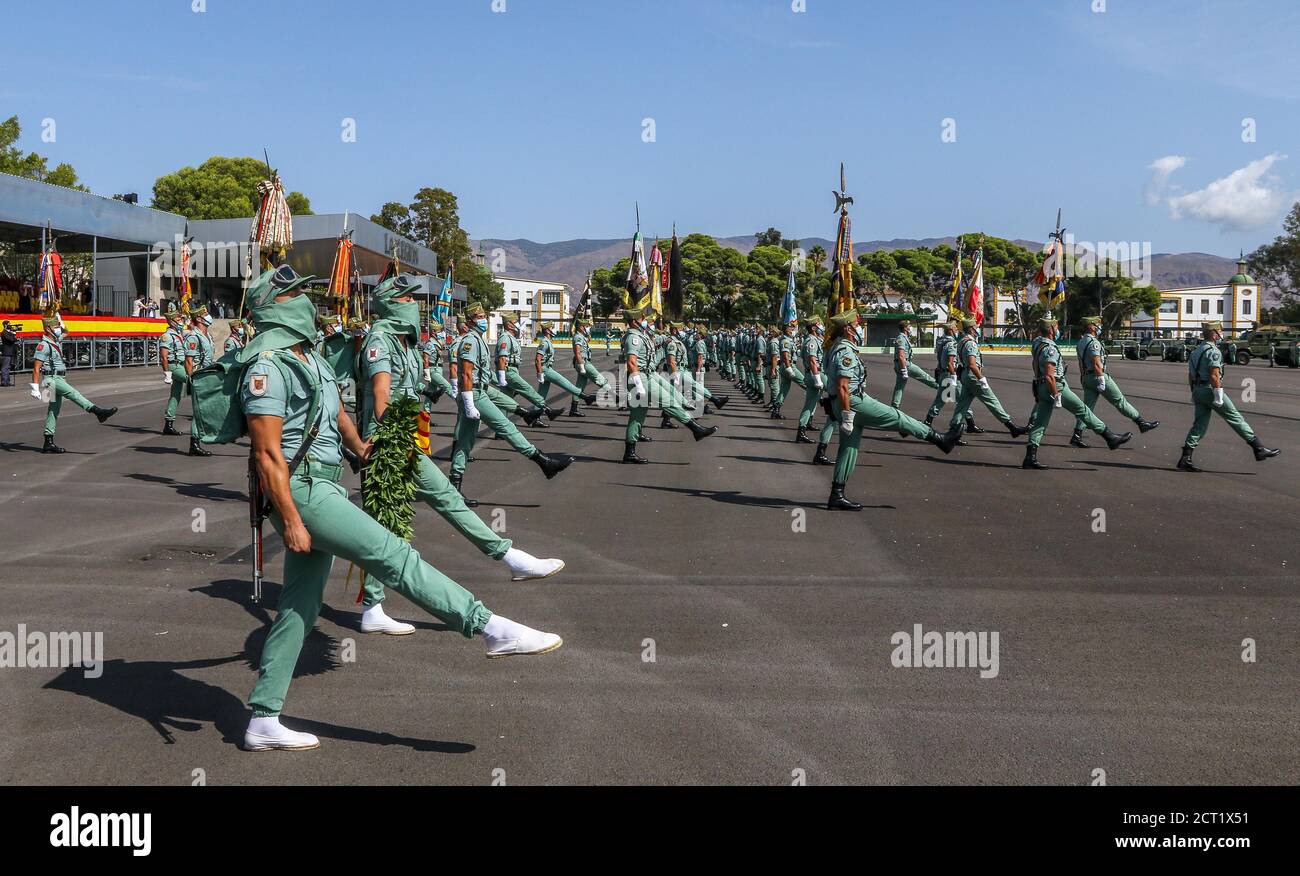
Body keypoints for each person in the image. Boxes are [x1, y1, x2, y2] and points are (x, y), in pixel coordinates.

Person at [236, 266, 563, 751]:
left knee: (298, 607)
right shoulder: (265, 365)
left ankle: (263, 719)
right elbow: (266, 455)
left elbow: (340, 413)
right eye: (296, 293)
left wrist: (365, 449)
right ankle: (490, 627)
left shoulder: (308, 357)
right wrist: (288, 519)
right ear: (274, 306)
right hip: (304, 491)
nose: (307, 299)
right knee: (393, 553)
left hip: (326, 482)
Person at [353, 274, 566, 634]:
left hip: (401, 440)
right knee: (444, 501)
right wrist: (396, 440)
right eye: (404, 298)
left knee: (386, 528)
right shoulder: (380, 340)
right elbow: (381, 397)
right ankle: (508, 556)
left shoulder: (403, 341)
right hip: (388, 445)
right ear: (390, 303)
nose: (411, 304)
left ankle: (372, 608)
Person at [824, 309, 960, 510]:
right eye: (856, 324)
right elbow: (843, 385)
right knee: (897, 417)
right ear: (848, 328)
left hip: (845, 402)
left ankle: (837, 494)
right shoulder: (845, 351)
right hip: (853, 402)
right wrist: (846, 415)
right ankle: (939, 439)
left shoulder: (836, 347)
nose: (859, 327)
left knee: (849, 450)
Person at [450, 303, 573, 503]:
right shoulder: (470, 342)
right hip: (474, 394)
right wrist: (469, 402)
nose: (483, 319)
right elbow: (465, 372)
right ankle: (543, 461)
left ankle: (454, 485)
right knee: (506, 426)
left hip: (481, 389)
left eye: (484, 315)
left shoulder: (477, 340)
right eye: (479, 316)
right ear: (471, 320)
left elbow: (478, 374)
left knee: (466, 440)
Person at [1022, 315, 1131, 470]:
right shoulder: (1050, 348)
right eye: (1056, 327)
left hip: (1040, 385)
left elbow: (1035, 365)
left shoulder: (1037, 343)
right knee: (1083, 411)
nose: (1058, 330)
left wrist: (1037, 387)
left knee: (1040, 422)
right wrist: (1057, 394)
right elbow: (1050, 374)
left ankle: (1030, 456)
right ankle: (1109, 437)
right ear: (1052, 329)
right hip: (1055, 385)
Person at [1177, 321, 1280, 472]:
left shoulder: (1197, 350)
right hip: (1210, 389)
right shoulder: (1214, 351)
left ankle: (1186, 457)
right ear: (1214, 334)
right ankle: (1258, 448)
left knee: (1199, 424)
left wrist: (1194, 392)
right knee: (1235, 417)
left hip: (1198, 389)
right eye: (1219, 331)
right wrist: (1218, 394)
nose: (1221, 334)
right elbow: (1214, 375)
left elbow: (1190, 375)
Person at [621, 307, 715, 464]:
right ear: (634, 321)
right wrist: (638, 384)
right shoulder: (633, 337)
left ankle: (629, 453)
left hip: (648, 374)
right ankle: (696, 429)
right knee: (668, 402)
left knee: (637, 417)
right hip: (642, 377)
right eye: (642, 318)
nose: (645, 320)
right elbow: (631, 362)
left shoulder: (640, 335)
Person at [29, 314, 117, 453]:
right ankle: (97, 411)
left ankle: (48, 441)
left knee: (53, 410)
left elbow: (66, 332)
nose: (58, 328)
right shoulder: (43, 345)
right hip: (51, 380)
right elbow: (36, 367)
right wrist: (34, 387)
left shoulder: (55, 341)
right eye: (55, 326)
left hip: (57, 378)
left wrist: (61, 321)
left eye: (58, 326)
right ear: (47, 329)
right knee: (73, 394)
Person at [1069, 315, 1159, 448]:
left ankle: (1077, 434)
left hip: (1086, 377)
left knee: (1087, 409)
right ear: (1091, 327)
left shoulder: (1081, 342)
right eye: (1097, 324)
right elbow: (1097, 363)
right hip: (1097, 376)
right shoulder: (1093, 343)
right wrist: (1101, 379)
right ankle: (1141, 422)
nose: (1099, 327)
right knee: (1119, 401)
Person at [946, 316, 1027, 438]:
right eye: (976, 326)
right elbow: (973, 364)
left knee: (963, 404)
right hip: (973, 376)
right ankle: (1011, 426)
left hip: (966, 376)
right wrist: (981, 378)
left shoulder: (962, 341)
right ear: (972, 328)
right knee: (992, 401)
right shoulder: (970, 343)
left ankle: (954, 428)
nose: (977, 328)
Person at [535, 321, 595, 414]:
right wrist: (540, 373)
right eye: (552, 328)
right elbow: (538, 359)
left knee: (541, 395)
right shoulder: (544, 343)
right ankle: (586, 397)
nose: (553, 329)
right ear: (547, 330)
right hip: (545, 369)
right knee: (566, 384)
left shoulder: (548, 341)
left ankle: (536, 416)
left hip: (545, 369)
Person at [183, 304, 216, 457]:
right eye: (206, 314)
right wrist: (192, 380)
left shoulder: (206, 335)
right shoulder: (193, 336)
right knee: (198, 411)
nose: (209, 315)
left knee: (203, 409)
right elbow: (189, 361)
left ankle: (200, 439)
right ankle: (194, 444)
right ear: (199, 318)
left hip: (207, 374)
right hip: (198, 375)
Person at [890, 318, 940, 410]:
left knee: (899, 386)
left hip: (900, 364)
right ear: (905, 328)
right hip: (905, 364)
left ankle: (894, 406)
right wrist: (904, 369)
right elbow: (901, 356)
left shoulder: (902, 338)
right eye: (909, 326)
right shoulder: (901, 338)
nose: (911, 327)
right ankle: (941, 388)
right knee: (924, 376)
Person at [159, 303, 188, 436]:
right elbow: (164, 356)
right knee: (194, 381)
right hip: (174, 365)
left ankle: (168, 424)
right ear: (172, 321)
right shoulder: (167, 336)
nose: (181, 322)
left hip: (180, 364)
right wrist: (167, 373)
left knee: (175, 395)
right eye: (179, 320)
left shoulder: (178, 334)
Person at [570, 317, 607, 416]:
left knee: (579, 386)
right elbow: (577, 352)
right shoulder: (578, 337)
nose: (588, 328)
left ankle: (573, 409)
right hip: (583, 362)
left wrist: (587, 334)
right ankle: (618, 398)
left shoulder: (580, 336)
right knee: (600, 379)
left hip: (582, 362)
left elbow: (588, 340)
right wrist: (582, 366)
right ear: (581, 327)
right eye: (586, 326)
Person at [773, 319, 801, 420]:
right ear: (786, 329)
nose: (793, 329)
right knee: (806, 383)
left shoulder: (788, 339)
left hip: (786, 366)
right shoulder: (785, 340)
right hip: (788, 366)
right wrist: (789, 368)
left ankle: (775, 409)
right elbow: (785, 356)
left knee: (784, 389)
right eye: (791, 328)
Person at [1, 320, 17, 387]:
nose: (10, 325)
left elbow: (14, 339)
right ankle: (4, 382)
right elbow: (11, 339)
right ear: (5, 325)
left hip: (10, 352)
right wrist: (13, 334)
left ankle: (7, 381)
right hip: (7, 352)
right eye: (9, 324)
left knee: (8, 367)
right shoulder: (4, 332)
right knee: (5, 367)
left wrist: (13, 333)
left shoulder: (8, 332)